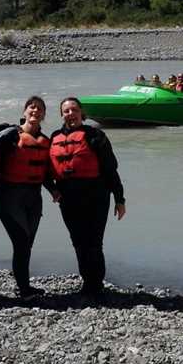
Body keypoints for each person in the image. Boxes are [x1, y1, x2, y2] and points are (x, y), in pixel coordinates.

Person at [50, 97, 125, 301]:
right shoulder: (54, 137)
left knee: (94, 242)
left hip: (96, 198)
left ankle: (96, 284)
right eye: (66, 111)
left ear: (81, 113)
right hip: (68, 200)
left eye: (74, 110)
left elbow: (110, 169)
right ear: (61, 114)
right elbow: (48, 170)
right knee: (78, 242)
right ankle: (87, 282)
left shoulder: (95, 135)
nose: (70, 114)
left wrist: (120, 198)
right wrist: (52, 189)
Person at [0, 96, 59, 299]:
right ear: (24, 112)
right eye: (31, 107)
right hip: (10, 195)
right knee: (21, 241)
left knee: (27, 243)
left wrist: (52, 190)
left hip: (34, 198)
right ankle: (24, 290)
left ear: (44, 114)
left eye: (39, 109)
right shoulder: (11, 135)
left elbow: (43, 172)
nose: (35, 111)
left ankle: (24, 285)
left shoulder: (45, 141)